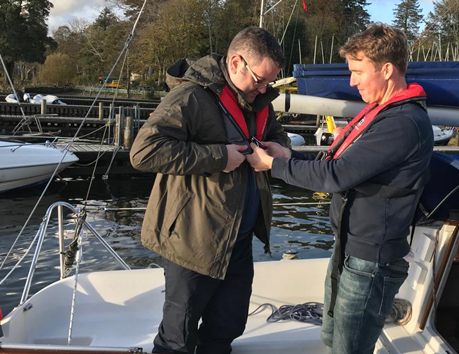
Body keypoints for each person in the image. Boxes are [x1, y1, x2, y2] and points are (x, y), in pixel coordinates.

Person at [245, 23, 433, 354]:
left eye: (358, 71)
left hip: (370, 261)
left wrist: (273, 165)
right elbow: (343, 164)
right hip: (350, 250)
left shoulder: (401, 124)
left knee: (348, 348)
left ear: (387, 70)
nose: (352, 81)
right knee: (332, 339)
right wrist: (290, 155)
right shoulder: (385, 114)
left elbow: (336, 176)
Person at [130, 26, 290, 354]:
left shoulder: (260, 101)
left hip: (238, 241)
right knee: (178, 336)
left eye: (268, 83)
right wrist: (219, 156)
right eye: (259, 80)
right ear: (235, 63)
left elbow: (278, 135)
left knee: (228, 325)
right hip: (193, 239)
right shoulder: (189, 96)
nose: (263, 89)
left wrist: (279, 150)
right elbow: (143, 152)